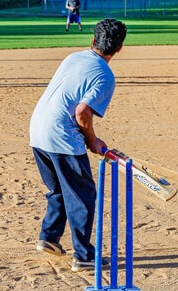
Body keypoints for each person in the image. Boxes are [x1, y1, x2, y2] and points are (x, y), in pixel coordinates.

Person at [30, 18, 126, 272]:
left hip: (38, 130)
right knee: (83, 195)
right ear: (119, 49)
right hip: (61, 135)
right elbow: (83, 111)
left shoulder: (73, 57)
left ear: (93, 40)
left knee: (60, 189)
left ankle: (49, 238)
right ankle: (83, 255)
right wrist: (92, 140)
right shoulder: (105, 75)